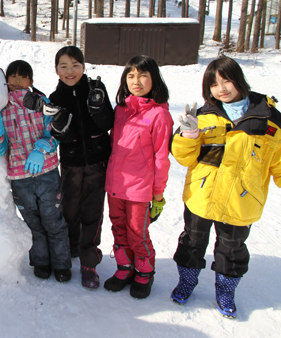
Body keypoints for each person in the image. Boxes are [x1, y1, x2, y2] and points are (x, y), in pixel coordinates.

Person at [170, 57, 281, 318]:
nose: (221, 89)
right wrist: (188, 135)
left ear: (238, 79)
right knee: (192, 241)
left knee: (232, 249)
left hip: (242, 200)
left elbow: (278, 158)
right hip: (202, 195)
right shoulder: (203, 115)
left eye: (226, 80)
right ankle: (187, 281)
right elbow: (183, 157)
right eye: (214, 84)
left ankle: (226, 288)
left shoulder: (268, 118)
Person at [0, 60, 72, 282]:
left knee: (53, 220)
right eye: (12, 77)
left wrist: (40, 150)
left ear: (30, 81)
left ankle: (62, 263)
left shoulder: (42, 104)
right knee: (32, 223)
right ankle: (41, 261)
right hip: (19, 178)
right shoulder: (2, 110)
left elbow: (54, 132)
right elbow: (0, 150)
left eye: (22, 77)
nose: (16, 81)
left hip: (47, 173)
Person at [103, 55, 173, 299]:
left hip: (140, 188)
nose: (137, 81)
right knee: (118, 228)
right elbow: (114, 144)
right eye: (131, 75)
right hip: (115, 184)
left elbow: (161, 157)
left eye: (143, 75)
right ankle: (125, 268)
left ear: (154, 79)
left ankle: (145, 271)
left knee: (137, 232)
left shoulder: (159, 115)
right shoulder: (121, 109)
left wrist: (158, 193)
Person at [45, 46, 114, 289]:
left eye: (75, 65)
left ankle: (88, 263)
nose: (70, 71)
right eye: (63, 66)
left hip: (97, 161)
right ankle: (69, 251)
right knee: (69, 210)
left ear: (83, 67)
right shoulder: (55, 99)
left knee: (92, 212)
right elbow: (57, 136)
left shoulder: (96, 90)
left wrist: (97, 108)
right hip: (72, 163)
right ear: (56, 70)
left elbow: (108, 123)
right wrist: (60, 129)